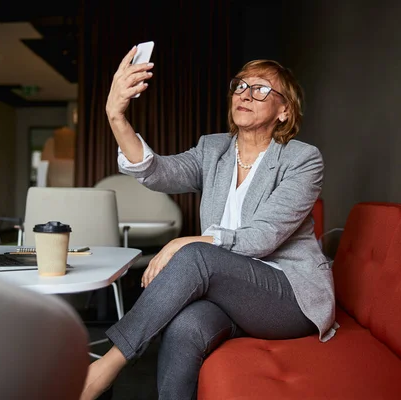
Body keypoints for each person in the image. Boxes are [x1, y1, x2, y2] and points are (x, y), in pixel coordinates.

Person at [80, 46, 337, 400]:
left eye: (261, 89)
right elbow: (158, 173)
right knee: (186, 327)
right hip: (230, 295)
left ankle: (105, 368)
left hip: (288, 299)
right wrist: (116, 116)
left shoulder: (302, 159)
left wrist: (182, 242)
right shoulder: (212, 149)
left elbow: (261, 238)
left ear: (284, 110)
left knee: (197, 254)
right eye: (240, 86)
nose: (245, 94)